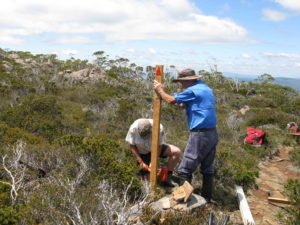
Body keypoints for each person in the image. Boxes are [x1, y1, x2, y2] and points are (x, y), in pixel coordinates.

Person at [153, 68, 218, 202]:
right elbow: (183, 104)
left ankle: (185, 200)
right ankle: (207, 198)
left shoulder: (193, 90)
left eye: (182, 82)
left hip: (200, 134)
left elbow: (171, 100)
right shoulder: (204, 88)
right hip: (212, 133)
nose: (181, 85)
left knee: (185, 169)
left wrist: (160, 90)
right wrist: (175, 101)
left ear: (189, 80)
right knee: (207, 168)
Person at [125, 118, 181, 186]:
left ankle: (167, 177)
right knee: (148, 184)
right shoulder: (133, 129)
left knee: (176, 152)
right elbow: (132, 146)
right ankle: (148, 177)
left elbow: (160, 146)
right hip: (142, 152)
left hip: (156, 149)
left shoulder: (159, 128)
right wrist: (140, 161)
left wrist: (154, 161)